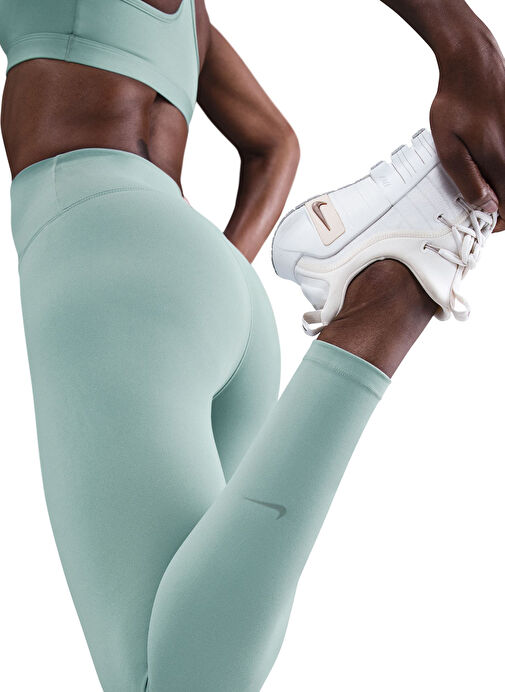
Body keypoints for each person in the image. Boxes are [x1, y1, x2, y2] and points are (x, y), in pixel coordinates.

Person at [0, 1, 500, 690]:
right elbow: (275, 143)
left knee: (180, 678)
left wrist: (467, 47)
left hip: (103, 254)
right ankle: (385, 293)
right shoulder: (193, 23)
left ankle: (391, 295)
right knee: (195, 662)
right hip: (211, 288)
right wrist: (205, 274)